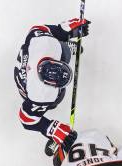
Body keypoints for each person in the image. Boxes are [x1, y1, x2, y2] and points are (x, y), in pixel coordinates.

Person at [14, 19, 90, 156]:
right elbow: (25, 118)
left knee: (63, 49)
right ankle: (65, 48)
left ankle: (65, 46)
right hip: (26, 85)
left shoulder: (44, 44)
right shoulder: (39, 94)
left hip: (30, 61)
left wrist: (64, 31)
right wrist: (50, 128)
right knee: (56, 98)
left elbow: (37, 28)